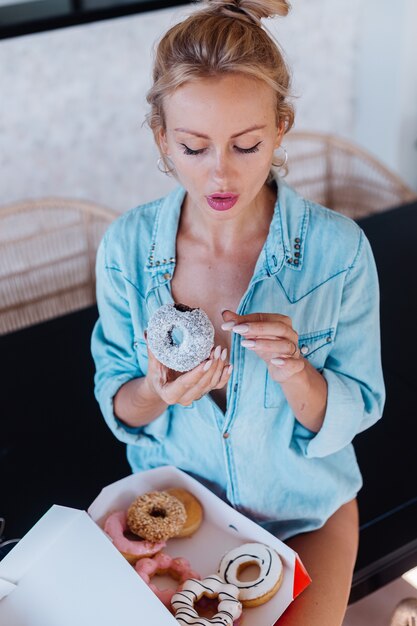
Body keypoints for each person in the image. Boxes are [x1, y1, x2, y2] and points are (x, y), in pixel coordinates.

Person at [91, 0, 385, 623]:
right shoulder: (125, 248)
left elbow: (361, 402)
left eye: (246, 145)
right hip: (176, 508)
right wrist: (156, 391)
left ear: (281, 129)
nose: (220, 174)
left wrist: (298, 374)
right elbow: (118, 401)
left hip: (308, 511)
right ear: (162, 138)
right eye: (194, 147)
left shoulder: (338, 252)